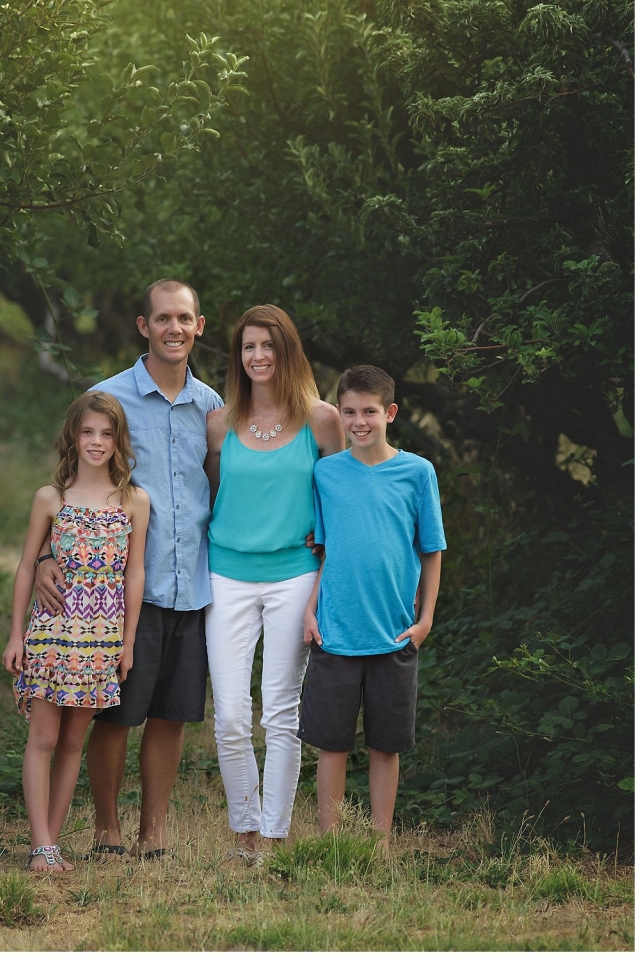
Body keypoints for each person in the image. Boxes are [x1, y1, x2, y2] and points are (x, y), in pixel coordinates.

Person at [35, 279, 222, 859]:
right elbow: (68, 485)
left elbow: (222, 485)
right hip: (119, 593)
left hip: (192, 582)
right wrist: (46, 554)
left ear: (199, 326)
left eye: (183, 318)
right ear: (144, 325)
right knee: (115, 714)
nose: (174, 328)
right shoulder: (109, 399)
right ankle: (107, 828)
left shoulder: (212, 408)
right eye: (162, 318)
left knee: (172, 714)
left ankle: (154, 832)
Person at [204, 305, 344, 864]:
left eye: (268, 346)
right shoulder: (219, 423)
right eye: (248, 348)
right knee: (232, 713)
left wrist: (328, 554)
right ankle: (244, 829)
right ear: (238, 357)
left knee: (280, 710)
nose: (258, 356)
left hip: (294, 575)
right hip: (227, 575)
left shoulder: (321, 419)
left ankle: (275, 835)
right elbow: (213, 495)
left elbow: (343, 496)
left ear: (287, 351)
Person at [299, 364, 446, 849]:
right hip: (336, 630)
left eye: (369, 412)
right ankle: (331, 842)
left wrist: (424, 620)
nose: (359, 421)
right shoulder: (326, 474)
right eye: (349, 412)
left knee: (386, 744)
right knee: (331, 743)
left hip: (395, 632)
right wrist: (310, 610)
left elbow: (431, 550)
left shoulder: (417, 472)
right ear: (338, 414)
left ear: (390, 413)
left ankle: (381, 843)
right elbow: (325, 550)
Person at [2, 392, 149, 871]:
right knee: (44, 738)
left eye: (107, 434)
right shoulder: (53, 497)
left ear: (118, 440)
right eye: (88, 432)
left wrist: (126, 643)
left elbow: (135, 575)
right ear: (73, 436)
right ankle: (40, 844)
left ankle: (54, 843)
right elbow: (27, 567)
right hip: (52, 635)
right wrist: (15, 634)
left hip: (101, 640)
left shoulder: (133, 501)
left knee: (72, 743)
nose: (97, 442)